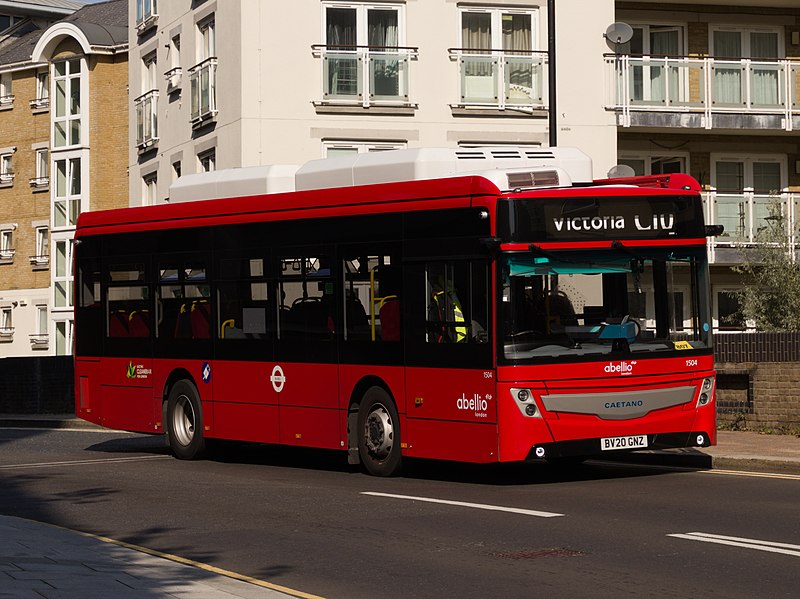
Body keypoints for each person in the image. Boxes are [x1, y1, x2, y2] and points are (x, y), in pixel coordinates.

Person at [429, 273, 467, 343]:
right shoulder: (441, 297)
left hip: (460, 336)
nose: (450, 281)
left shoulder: (453, 293)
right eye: (447, 279)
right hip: (453, 337)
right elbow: (443, 319)